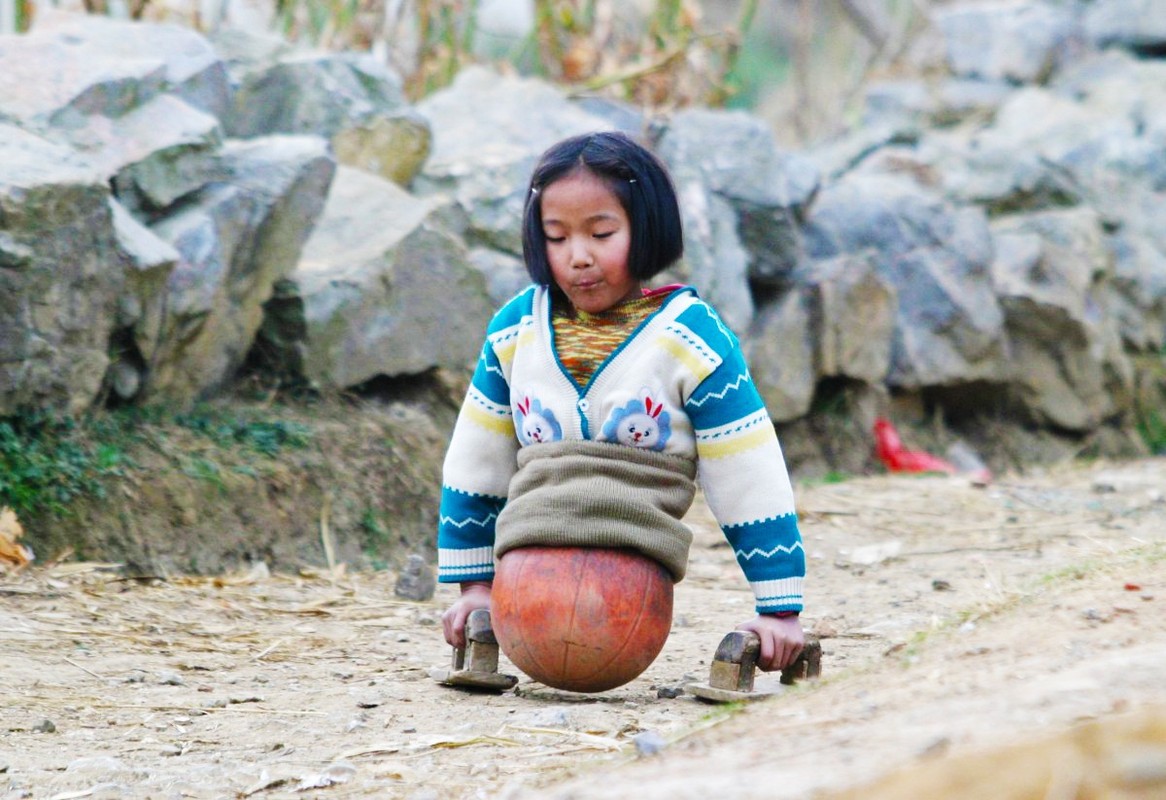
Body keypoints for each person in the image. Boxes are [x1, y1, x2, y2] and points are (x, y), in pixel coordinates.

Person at [436, 130, 806, 673]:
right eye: (556, 237)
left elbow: (748, 469)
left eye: (601, 232)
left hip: (630, 596)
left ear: (647, 226)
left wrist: (779, 609)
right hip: (524, 582)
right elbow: (476, 459)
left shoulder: (691, 341)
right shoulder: (515, 331)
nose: (578, 257)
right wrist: (473, 588)